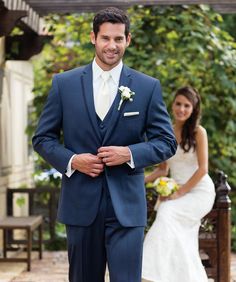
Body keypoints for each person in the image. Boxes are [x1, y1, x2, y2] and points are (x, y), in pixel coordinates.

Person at [32, 7, 177, 282]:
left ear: (128, 40)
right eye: (106, 38)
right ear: (93, 38)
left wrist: (130, 153)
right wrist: (74, 161)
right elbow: (42, 139)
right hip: (80, 205)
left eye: (119, 39)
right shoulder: (64, 84)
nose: (112, 46)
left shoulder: (147, 87)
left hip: (127, 209)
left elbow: (167, 142)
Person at [142, 86, 216, 282]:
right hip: (177, 191)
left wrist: (178, 193)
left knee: (166, 212)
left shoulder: (199, 132)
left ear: (193, 109)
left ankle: (147, 274)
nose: (181, 109)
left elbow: (203, 169)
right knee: (175, 226)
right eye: (178, 104)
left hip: (199, 191)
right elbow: (162, 169)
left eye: (187, 105)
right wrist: (138, 180)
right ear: (172, 104)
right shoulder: (166, 131)